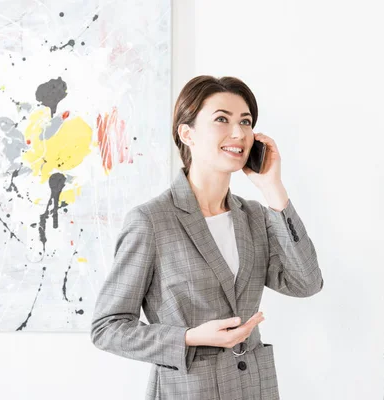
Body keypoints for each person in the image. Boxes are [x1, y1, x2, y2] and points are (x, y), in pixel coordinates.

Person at [90, 75, 324, 400]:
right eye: (221, 119)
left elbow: (306, 283)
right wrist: (187, 337)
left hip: (255, 389)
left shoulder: (256, 216)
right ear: (187, 133)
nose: (239, 133)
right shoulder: (151, 221)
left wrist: (274, 188)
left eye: (246, 121)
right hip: (189, 390)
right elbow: (107, 328)